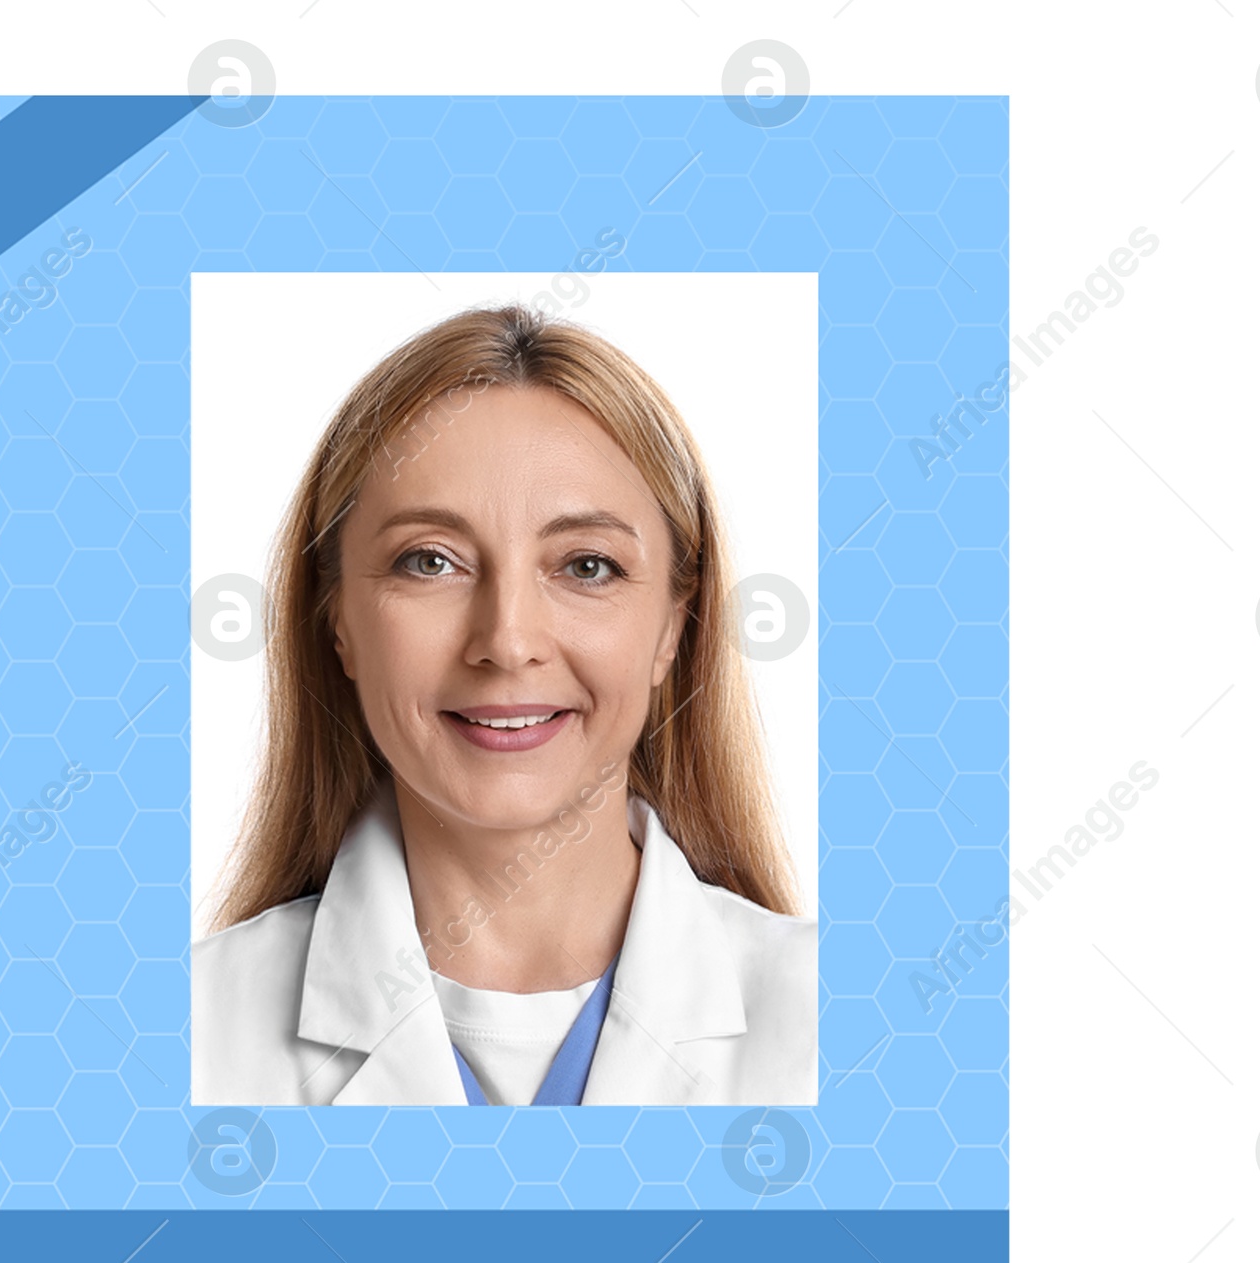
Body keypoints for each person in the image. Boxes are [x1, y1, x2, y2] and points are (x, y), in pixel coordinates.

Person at [193, 303, 814, 1106]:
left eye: (587, 566)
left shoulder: (849, 1024)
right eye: (429, 561)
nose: (508, 640)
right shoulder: (189, 1033)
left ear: (673, 627)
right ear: (337, 618)